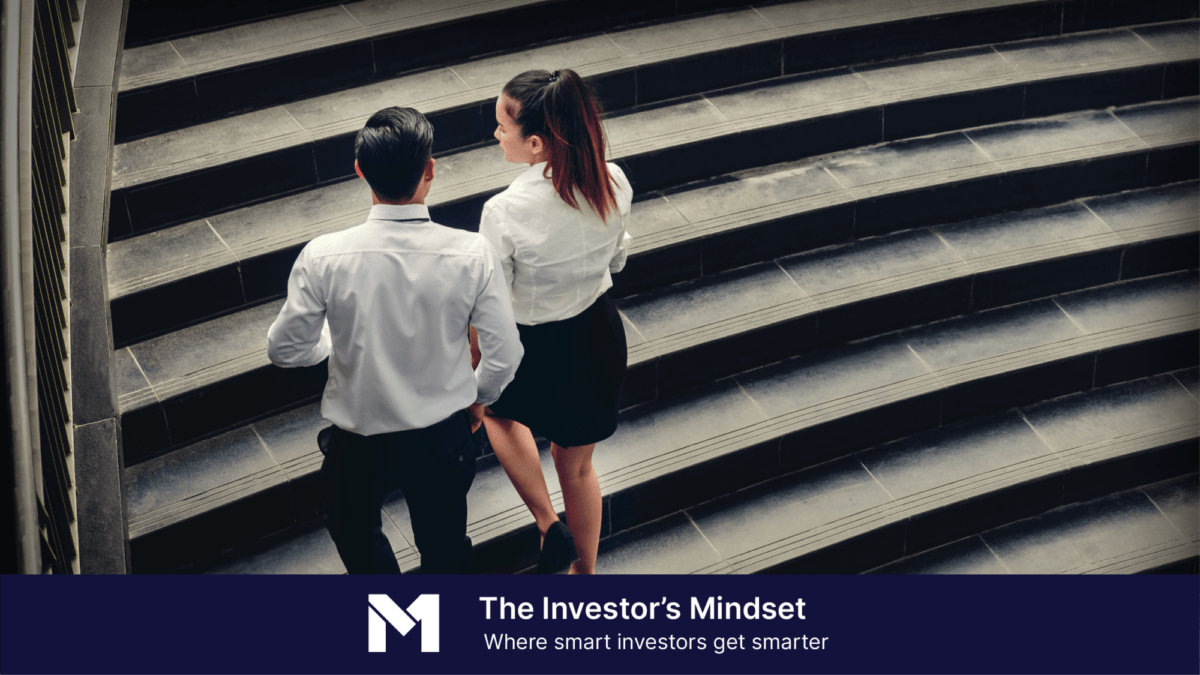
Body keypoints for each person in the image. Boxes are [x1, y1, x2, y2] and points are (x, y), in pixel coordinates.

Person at [267, 107, 523, 574]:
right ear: (430, 171)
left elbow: (285, 349)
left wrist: (330, 341)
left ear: (360, 171)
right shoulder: (471, 253)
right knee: (445, 546)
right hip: (441, 433)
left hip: (358, 441)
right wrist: (477, 400)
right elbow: (505, 353)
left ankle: (395, 632)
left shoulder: (323, 256)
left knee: (357, 538)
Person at [475, 68, 633, 574]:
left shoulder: (504, 211)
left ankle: (548, 524)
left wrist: (476, 364)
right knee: (579, 465)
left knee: (497, 411)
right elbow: (616, 262)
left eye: (503, 125)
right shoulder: (614, 180)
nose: (495, 132)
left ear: (537, 143)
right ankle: (583, 575)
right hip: (595, 335)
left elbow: (492, 301)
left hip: (535, 344)